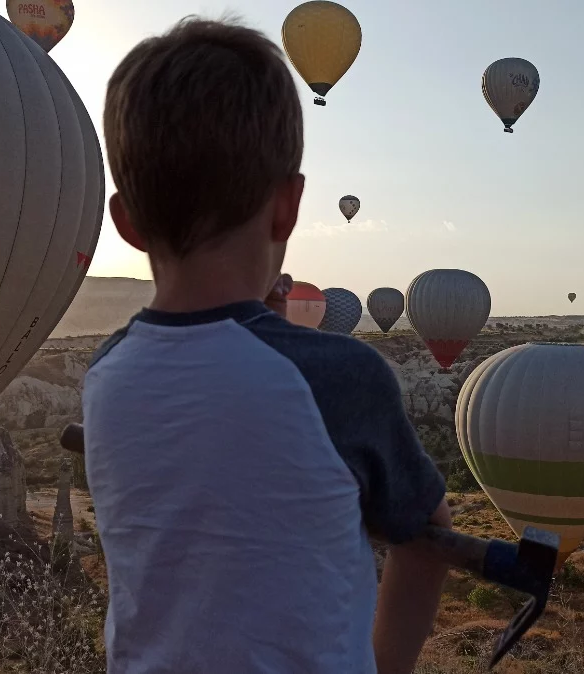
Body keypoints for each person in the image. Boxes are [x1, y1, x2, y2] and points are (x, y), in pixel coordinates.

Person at [84, 17, 451, 674]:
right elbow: (427, 540)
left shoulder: (106, 370)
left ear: (127, 224)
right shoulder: (338, 375)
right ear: (287, 207)